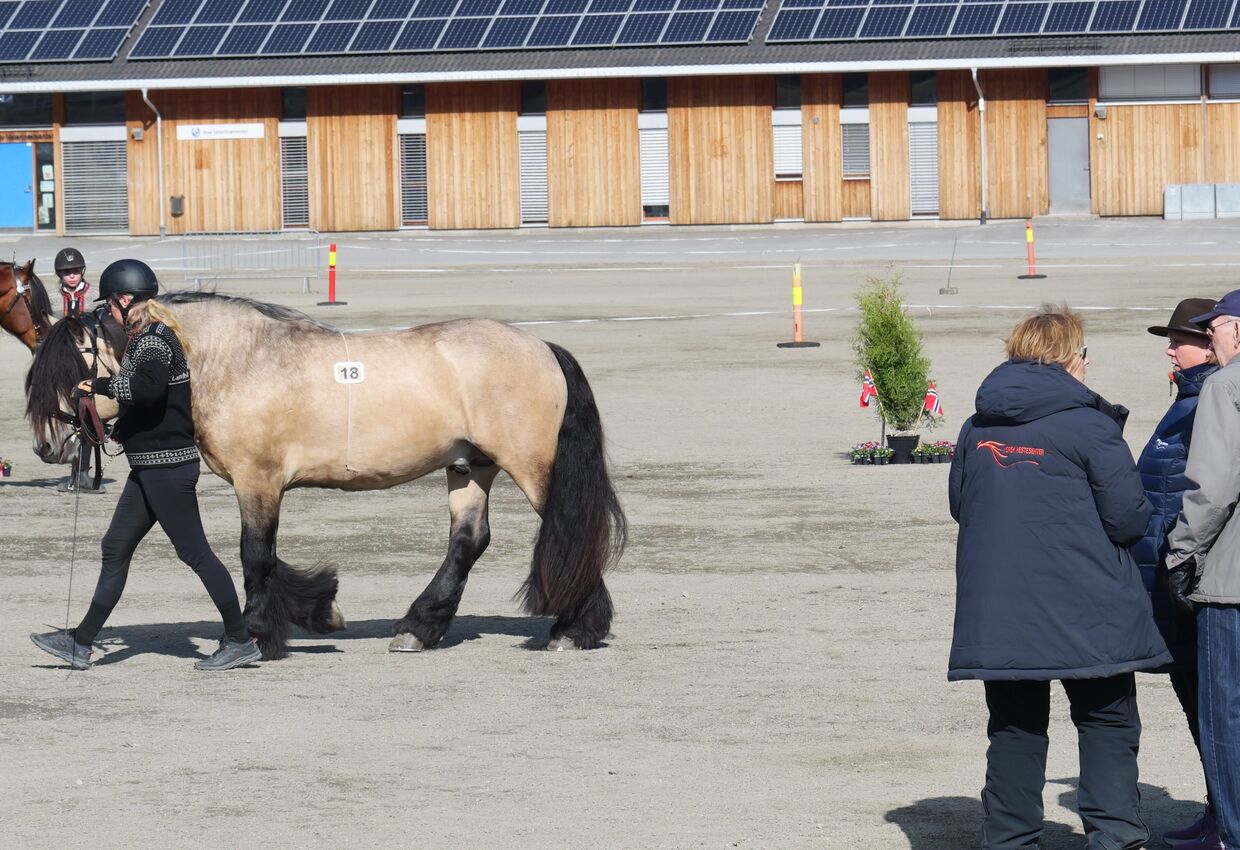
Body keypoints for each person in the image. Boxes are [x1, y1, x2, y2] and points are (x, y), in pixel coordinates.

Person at [948, 305, 1171, 850]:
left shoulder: (977, 426)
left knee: (1014, 728)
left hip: (1000, 608)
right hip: (1087, 604)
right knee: (1107, 722)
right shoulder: (1090, 424)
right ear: (1074, 360)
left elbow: (962, 505)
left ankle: (1009, 838)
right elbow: (1127, 518)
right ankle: (1115, 835)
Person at [30, 259, 261, 673]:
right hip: (150, 467)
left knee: (196, 554)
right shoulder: (145, 337)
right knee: (114, 548)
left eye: (109, 307)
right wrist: (125, 430)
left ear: (124, 300)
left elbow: (148, 392)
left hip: (166, 471)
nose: (108, 314)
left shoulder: (153, 340)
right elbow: (154, 404)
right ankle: (80, 643)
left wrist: (97, 385)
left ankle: (240, 640)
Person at [1133, 298, 1223, 850]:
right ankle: (1219, 807)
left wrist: (1180, 562)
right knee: (1199, 706)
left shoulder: (1211, 400)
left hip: (1192, 582)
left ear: (1210, 344)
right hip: (1176, 582)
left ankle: (1224, 816)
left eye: (1178, 339)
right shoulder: (1191, 399)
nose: (1170, 348)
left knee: (1212, 710)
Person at [1164, 290, 1240, 850]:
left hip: (1231, 585)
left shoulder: (1225, 386)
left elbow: (1210, 489)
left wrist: (1181, 554)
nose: (1208, 337)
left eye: (1214, 329)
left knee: (1226, 716)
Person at [54, 247, 90, 318]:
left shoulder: (97, 295)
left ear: (82, 271)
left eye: (76, 271)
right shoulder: (50, 298)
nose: (72, 276)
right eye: (66, 272)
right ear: (59, 274)